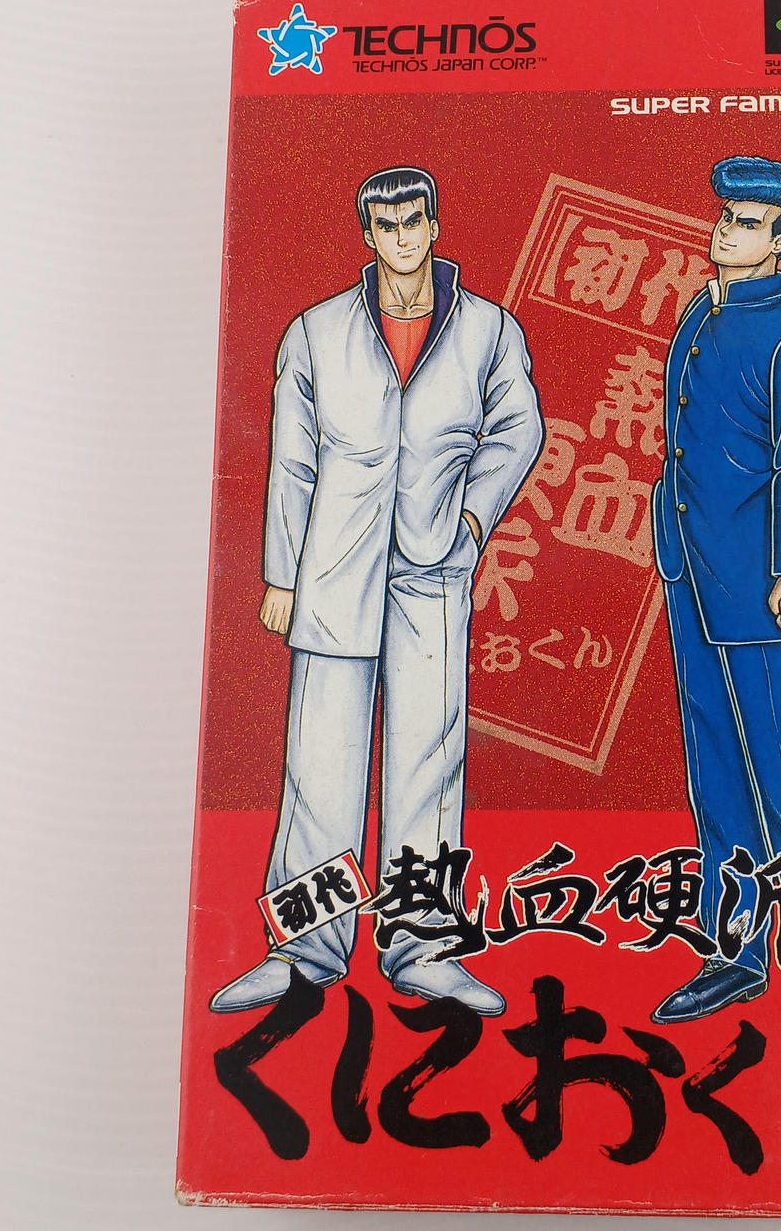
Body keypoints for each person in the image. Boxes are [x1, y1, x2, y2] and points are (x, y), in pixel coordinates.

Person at [210, 166, 543, 1017]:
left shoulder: (487, 331)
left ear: (435, 227)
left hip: (433, 572)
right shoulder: (315, 333)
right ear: (367, 235)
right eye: (385, 224)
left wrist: (472, 521)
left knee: (430, 764)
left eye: (412, 221)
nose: (400, 237)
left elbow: (519, 429)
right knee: (318, 772)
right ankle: (303, 952)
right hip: (332, 574)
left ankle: (422, 949)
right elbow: (290, 461)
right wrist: (281, 576)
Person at [649, 156, 781, 1026]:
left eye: (746, 223)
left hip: (764, 585)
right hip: (692, 574)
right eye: (725, 217)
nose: (724, 231)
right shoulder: (701, 314)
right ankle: (734, 952)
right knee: (718, 775)